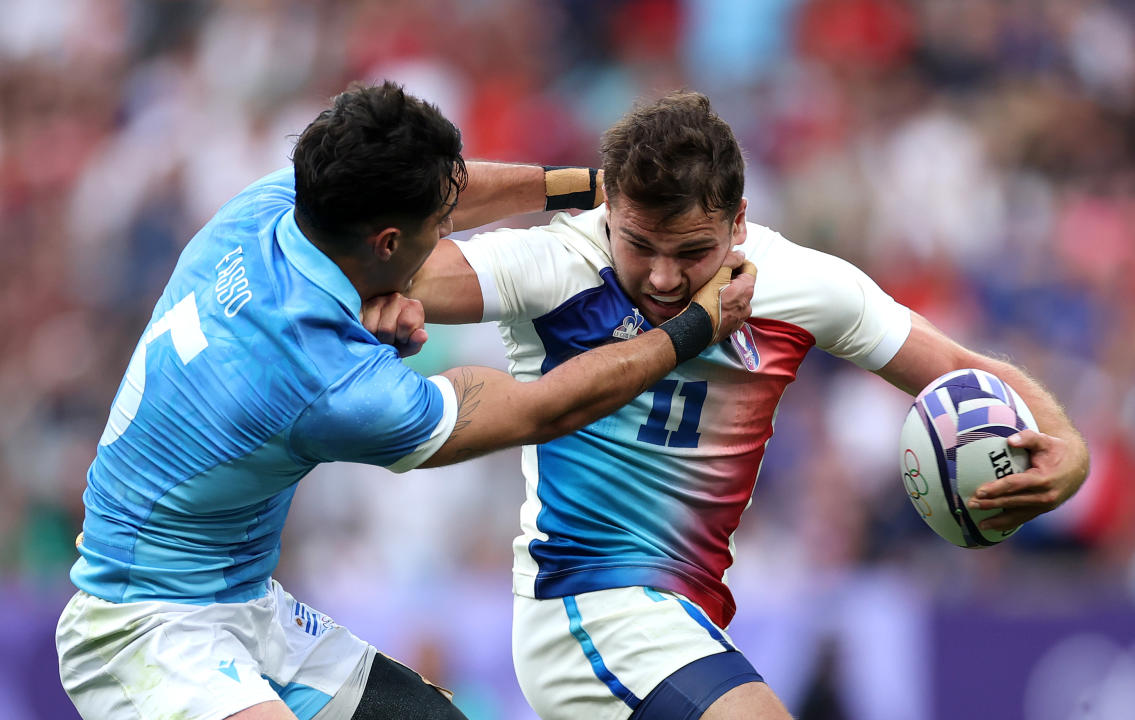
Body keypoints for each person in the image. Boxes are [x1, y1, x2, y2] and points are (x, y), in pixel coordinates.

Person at [53, 82, 757, 720]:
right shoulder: (329, 378)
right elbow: (545, 409)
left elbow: (440, 194)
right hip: (141, 626)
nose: (448, 231)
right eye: (440, 229)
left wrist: (601, 190)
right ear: (388, 242)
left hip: (241, 603)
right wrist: (695, 325)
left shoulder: (271, 208)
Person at [397, 91, 1092, 720]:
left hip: (686, 615)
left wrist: (1067, 448)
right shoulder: (555, 265)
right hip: (587, 603)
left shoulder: (798, 282)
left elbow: (962, 369)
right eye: (638, 244)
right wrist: (566, 185)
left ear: (739, 223)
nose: (664, 277)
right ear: (609, 211)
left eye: (691, 251)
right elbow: (387, 252)